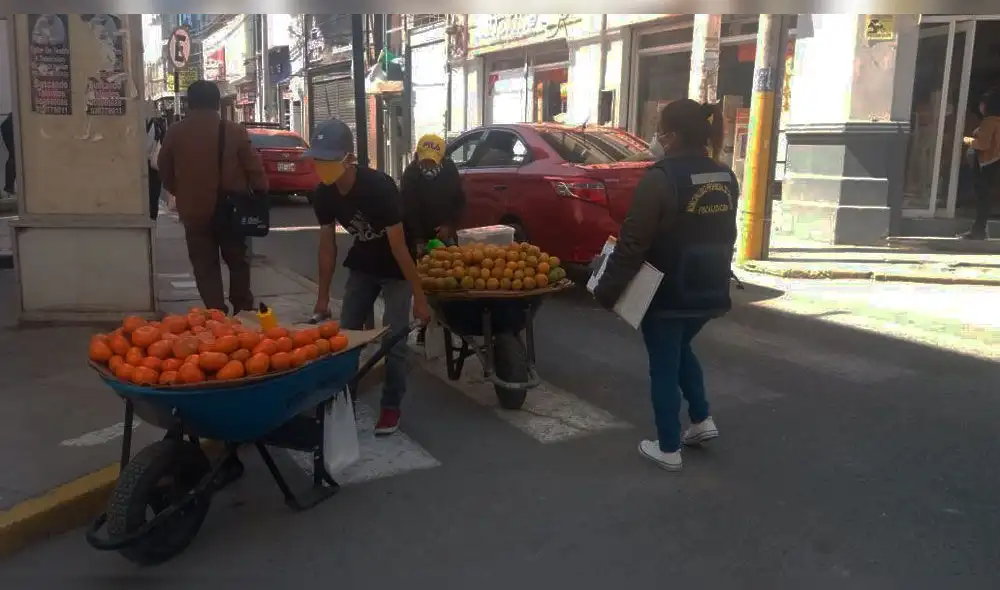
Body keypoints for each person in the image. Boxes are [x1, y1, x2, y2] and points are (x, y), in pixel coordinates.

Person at [593, 99, 736, 472]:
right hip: (710, 287)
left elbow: (632, 243)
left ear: (671, 136)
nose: (655, 136)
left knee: (664, 364)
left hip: (668, 290)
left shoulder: (661, 179)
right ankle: (702, 420)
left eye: (659, 128)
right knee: (680, 349)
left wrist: (606, 290)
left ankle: (669, 447)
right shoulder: (724, 175)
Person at [306, 119, 431, 436]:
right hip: (363, 261)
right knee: (345, 337)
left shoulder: (379, 188)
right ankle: (341, 398)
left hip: (395, 266)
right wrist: (322, 298)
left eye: (328, 160)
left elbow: (400, 248)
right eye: (318, 160)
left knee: (394, 338)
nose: (322, 167)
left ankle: (391, 407)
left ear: (349, 158)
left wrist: (420, 297)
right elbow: (326, 247)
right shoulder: (324, 194)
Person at [158, 80, 268, 314]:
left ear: (189, 104)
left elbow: (164, 169)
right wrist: (260, 191)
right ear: (217, 103)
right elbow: (254, 168)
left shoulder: (176, 132)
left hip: (194, 211)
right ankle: (242, 308)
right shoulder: (234, 131)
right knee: (238, 261)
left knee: (204, 265)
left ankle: (216, 312)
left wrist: (181, 191)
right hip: (231, 210)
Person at [401, 133, 466, 345]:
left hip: (445, 234)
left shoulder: (449, 171)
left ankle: (452, 324)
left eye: (432, 160)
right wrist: (418, 239)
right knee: (424, 284)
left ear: (442, 158)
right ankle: (424, 327)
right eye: (424, 160)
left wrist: (449, 225)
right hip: (419, 235)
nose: (428, 165)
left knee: (452, 278)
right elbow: (408, 209)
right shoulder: (411, 175)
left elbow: (459, 202)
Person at [960, 90, 1000, 240]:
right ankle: (980, 229)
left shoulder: (989, 122)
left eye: (982, 104)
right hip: (993, 163)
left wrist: (966, 140)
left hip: (985, 164)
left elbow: (982, 144)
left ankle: (978, 231)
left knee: (983, 198)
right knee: (985, 197)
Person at [146, 114, 166, 220]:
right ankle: (153, 221)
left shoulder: (151, 125)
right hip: (155, 169)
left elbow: (147, 148)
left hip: (150, 167)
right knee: (153, 200)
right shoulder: (158, 125)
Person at [1, 113, 15, 196]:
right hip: (11, 123)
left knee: (14, 156)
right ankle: (9, 188)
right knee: (14, 156)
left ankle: (9, 188)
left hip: (10, 122)